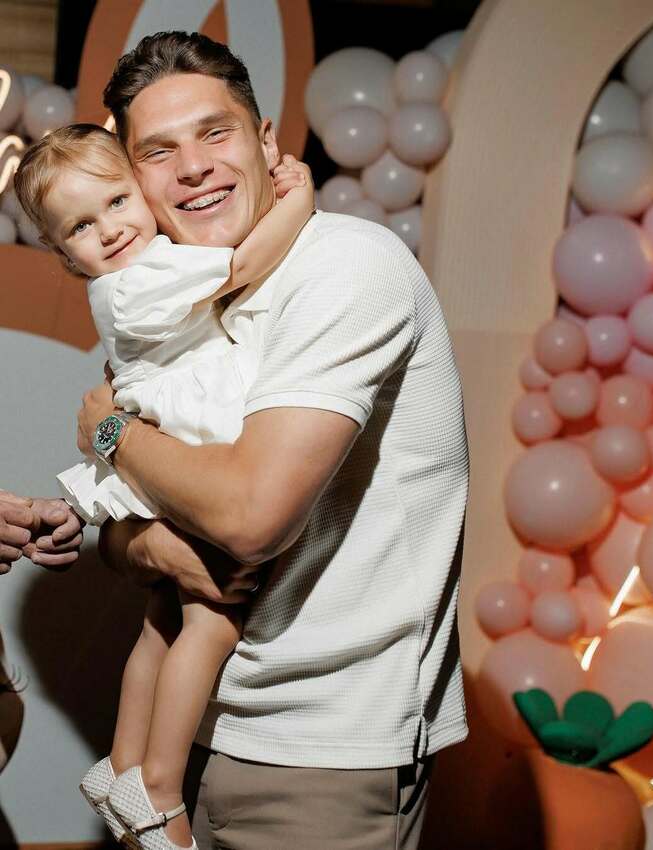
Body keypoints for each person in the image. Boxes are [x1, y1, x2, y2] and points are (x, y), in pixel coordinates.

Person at [3, 30, 468, 850]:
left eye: (214, 133)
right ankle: (139, 779)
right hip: (211, 730)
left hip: (322, 752)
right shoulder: (175, 295)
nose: (192, 168)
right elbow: (136, 532)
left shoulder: (343, 267)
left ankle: (140, 780)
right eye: (158, 151)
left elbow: (246, 520)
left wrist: (108, 430)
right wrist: (152, 541)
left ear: (265, 141)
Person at [13, 123, 314, 850]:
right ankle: (159, 786)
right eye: (81, 227)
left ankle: (123, 762)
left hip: (167, 437)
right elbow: (243, 262)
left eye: (118, 202)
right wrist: (297, 202)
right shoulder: (138, 280)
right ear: (64, 254)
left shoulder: (138, 272)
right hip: (191, 443)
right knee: (213, 622)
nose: (110, 229)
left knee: (161, 618)